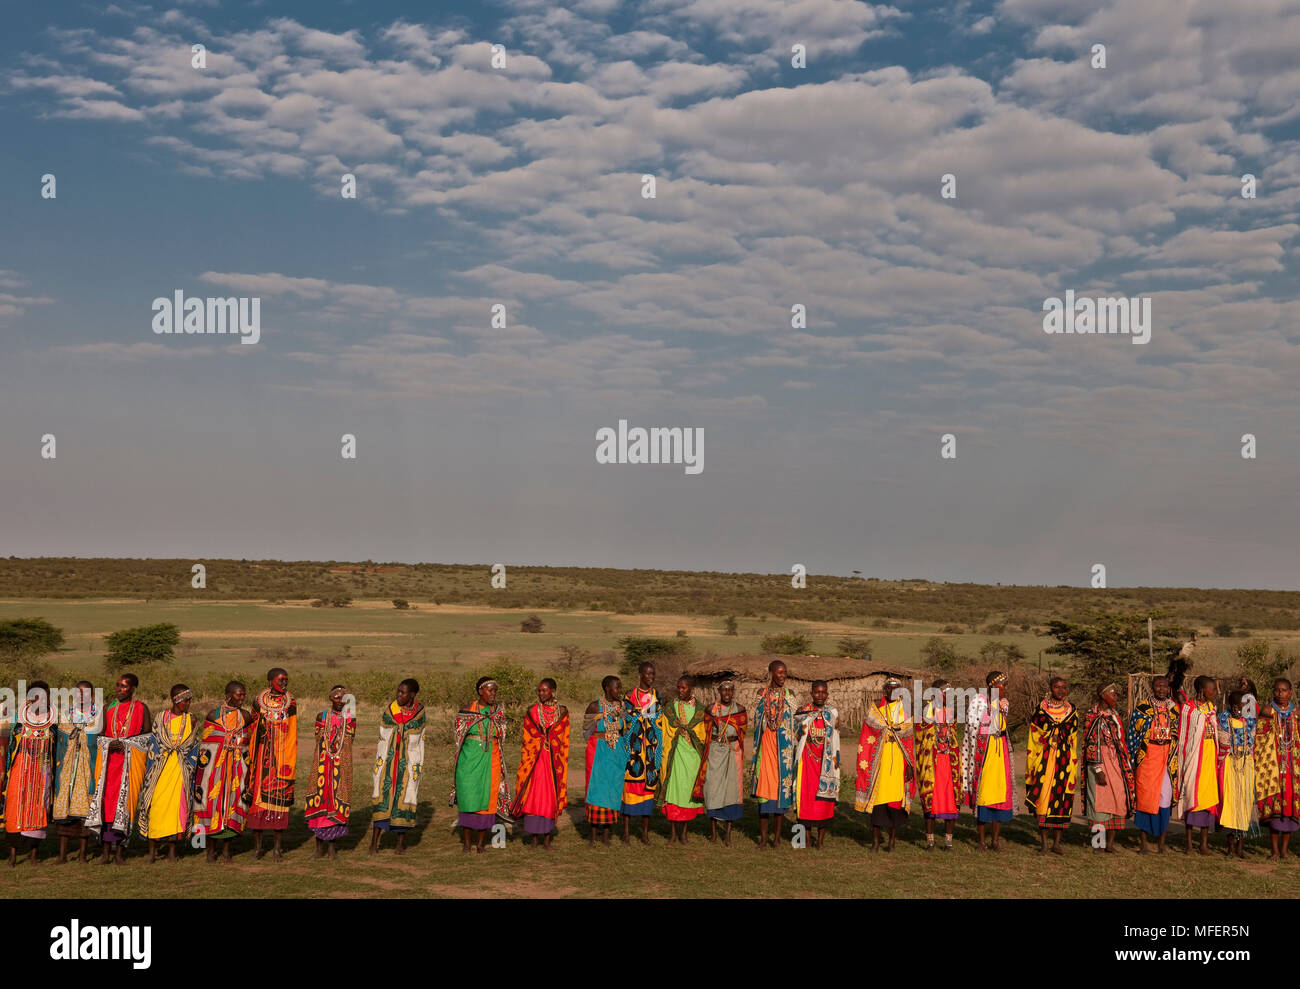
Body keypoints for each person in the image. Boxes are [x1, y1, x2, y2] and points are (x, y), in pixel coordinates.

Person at [87, 673, 151, 864]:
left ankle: (120, 853)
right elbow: (99, 735)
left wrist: (127, 745)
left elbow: (147, 736)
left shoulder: (141, 708)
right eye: (117, 685)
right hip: (108, 765)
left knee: (124, 806)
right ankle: (105, 852)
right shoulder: (108, 708)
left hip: (129, 765)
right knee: (106, 805)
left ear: (133, 688)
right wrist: (109, 744)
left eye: (124, 686)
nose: (119, 689)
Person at [137, 684, 202, 863]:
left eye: (190, 700)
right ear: (176, 700)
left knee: (177, 810)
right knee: (156, 808)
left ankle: (172, 851)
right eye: (185, 700)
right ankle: (152, 851)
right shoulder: (161, 717)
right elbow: (155, 743)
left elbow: (194, 746)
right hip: (160, 770)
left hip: (181, 771)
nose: (188, 703)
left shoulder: (192, 720)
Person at [194, 681, 253, 863]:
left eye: (243, 695)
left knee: (233, 805)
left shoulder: (245, 716)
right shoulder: (213, 715)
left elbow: (248, 742)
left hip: (237, 771)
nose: (242, 698)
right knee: (213, 806)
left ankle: (227, 851)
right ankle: (210, 851)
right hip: (214, 770)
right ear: (228, 695)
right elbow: (206, 745)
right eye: (238, 695)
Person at [856, 677, 914, 852]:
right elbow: (868, 732)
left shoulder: (905, 710)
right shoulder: (876, 710)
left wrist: (910, 765)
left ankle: (892, 841)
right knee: (878, 803)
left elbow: (910, 739)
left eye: (896, 688)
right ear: (885, 691)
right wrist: (885, 732)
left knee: (895, 804)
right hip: (879, 762)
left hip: (898, 761)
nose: (893, 692)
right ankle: (875, 841)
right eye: (889, 688)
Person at [509, 678, 569, 849]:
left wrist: (551, 741)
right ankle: (534, 838)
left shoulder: (563, 712)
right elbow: (527, 737)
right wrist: (540, 741)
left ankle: (547, 839)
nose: (541, 694)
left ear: (553, 691)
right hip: (535, 760)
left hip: (553, 762)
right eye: (539, 691)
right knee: (534, 798)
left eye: (544, 690)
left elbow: (564, 738)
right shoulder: (532, 711)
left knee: (550, 799)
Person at [453, 676, 511, 853]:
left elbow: (502, 735)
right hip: (469, 760)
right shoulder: (467, 711)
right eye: (490, 690)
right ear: (480, 691)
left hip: (491, 759)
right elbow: (458, 737)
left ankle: (480, 844)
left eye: (495, 691)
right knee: (468, 797)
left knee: (488, 799)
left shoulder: (498, 713)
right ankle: (466, 843)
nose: (493, 694)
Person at [245, 667, 297, 860]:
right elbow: (252, 726)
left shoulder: (290, 702)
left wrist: (287, 758)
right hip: (261, 759)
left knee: (279, 804)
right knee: (258, 804)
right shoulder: (259, 701)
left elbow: (292, 732)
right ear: (270, 681)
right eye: (281, 680)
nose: (284, 684)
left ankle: (277, 848)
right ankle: (257, 848)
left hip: (282, 758)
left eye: (286, 680)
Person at [1024, 676, 1079, 855]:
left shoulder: (1072, 711)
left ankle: (1057, 843)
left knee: (1062, 800)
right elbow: (1034, 736)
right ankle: (1044, 844)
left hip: (1064, 761)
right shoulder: (1040, 711)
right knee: (1043, 801)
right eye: (1057, 687)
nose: (1061, 691)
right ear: (1050, 689)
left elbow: (1073, 739)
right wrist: (1049, 737)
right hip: (1044, 761)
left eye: (1064, 687)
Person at [370, 678, 426, 855]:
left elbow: (418, 736)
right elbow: (384, 733)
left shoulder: (419, 712)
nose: (399, 695)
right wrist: (399, 730)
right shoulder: (390, 711)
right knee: (383, 799)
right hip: (388, 763)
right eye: (398, 692)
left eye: (403, 693)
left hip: (408, 764)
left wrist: (405, 732)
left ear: (412, 695)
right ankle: (373, 843)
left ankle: (400, 844)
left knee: (404, 799)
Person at [3, 682, 56, 866]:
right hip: (21, 768)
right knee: (15, 807)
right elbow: (11, 742)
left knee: (39, 806)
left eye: (44, 696)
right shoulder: (20, 715)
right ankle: (13, 855)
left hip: (42, 769)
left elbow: (56, 744)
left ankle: (34, 854)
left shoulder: (53, 717)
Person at [965, 670, 1016, 851]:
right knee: (984, 793)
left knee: (1000, 792)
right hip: (984, 751)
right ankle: (981, 841)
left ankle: (995, 841)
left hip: (1000, 749)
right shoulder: (978, 700)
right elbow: (971, 727)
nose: (1007, 688)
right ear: (993, 685)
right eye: (1004, 684)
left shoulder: (1004, 703)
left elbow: (1002, 725)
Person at [1128, 674, 1181, 853]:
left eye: (1164, 686)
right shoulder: (1143, 707)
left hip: (1167, 758)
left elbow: (1178, 732)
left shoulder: (1174, 709)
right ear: (1152, 687)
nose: (1161, 689)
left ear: (1169, 688)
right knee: (1145, 798)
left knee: (1165, 798)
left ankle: (1161, 844)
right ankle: (1143, 843)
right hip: (1148, 757)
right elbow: (1134, 733)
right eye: (1158, 686)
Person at [692, 681, 747, 845]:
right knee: (712, 788)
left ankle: (728, 835)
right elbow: (706, 731)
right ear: (719, 691)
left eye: (730, 690)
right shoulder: (710, 710)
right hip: (716, 750)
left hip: (733, 751)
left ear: (733, 692)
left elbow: (743, 731)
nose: (727, 693)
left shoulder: (740, 710)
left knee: (731, 790)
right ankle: (714, 834)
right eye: (724, 690)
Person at [1082, 684, 1135, 852]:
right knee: (1099, 802)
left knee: (1118, 798)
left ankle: (1110, 844)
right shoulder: (1092, 715)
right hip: (1098, 762)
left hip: (1115, 761)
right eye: (1113, 694)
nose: (1116, 697)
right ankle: (1098, 843)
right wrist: (1098, 770)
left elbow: (1120, 740)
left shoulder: (1114, 715)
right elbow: (1090, 743)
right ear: (1103, 695)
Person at [305, 685, 355, 859]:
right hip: (322, 766)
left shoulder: (350, 718)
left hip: (340, 766)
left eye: (343, 698)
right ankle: (319, 848)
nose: (340, 701)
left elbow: (349, 743)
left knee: (335, 805)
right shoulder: (321, 717)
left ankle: (332, 848)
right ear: (330, 698)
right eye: (337, 697)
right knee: (320, 806)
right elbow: (318, 740)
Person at [656, 676, 708, 844]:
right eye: (678, 687)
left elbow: (703, 734)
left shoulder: (700, 710)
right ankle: (672, 833)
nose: (680, 690)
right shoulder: (670, 709)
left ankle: (684, 832)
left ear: (691, 688)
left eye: (684, 688)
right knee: (672, 793)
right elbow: (664, 732)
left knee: (687, 794)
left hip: (693, 758)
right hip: (674, 755)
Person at [752, 659, 797, 849]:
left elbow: (796, 721)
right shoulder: (761, 694)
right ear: (771, 672)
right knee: (764, 796)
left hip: (783, 751)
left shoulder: (791, 695)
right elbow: (756, 719)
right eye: (779, 672)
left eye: (784, 672)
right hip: (766, 747)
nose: (782, 675)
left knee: (780, 796)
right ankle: (763, 838)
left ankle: (777, 839)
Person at [52, 680, 98, 864]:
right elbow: (61, 741)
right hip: (67, 769)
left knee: (84, 814)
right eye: (78, 692)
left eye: (86, 693)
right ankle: (62, 856)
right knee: (65, 814)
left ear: (92, 695)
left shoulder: (97, 715)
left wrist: (83, 735)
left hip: (88, 770)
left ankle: (82, 856)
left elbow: (97, 741)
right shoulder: (66, 714)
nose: (82, 696)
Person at [583, 676, 631, 845]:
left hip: (615, 753)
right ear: (606, 688)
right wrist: (600, 739)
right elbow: (585, 732)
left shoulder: (622, 707)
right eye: (617, 687)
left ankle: (606, 835)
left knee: (612, 790)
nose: (619, 690)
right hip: (598, 752)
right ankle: (593, 835)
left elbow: (625, 731)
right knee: (596, 789)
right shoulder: (594, 706)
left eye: (620, 687)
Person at [1176, 675, 1221, 855]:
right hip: (1194, 759)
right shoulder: (1189, 708)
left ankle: (1203, 845)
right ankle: (1188, 844)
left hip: (1209, 758)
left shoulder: (1211, 708)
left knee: (1208, 801)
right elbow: (1185, 736)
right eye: (1212, 689)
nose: (1215, 692)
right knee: (1191, 799)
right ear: (1202, 690)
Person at [793, 680, 840, 849]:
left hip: (825, 764)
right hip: (807, 762)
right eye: (817, 692)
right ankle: (805, 837)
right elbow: (797, 736)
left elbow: (835, 739)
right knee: (806, 800)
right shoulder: (803, 712)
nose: (820, 695)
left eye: (824, 692)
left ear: (827, 694)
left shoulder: (833, 713)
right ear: (812, 693)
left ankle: (820, 841)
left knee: (823, 804)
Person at [915, 679, 960, 851]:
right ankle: (930, 841)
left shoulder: (951, 713)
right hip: (931, 762)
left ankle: (948, 842)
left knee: (951, 799)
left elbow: (954, 736)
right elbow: (921, 736)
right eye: (945, 692)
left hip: (948, 762)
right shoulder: (926, 711)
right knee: (931, 799)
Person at [1256, 678, 1299, 859]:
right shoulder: (1267, 711)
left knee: (1289, 807)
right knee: (1274, 808)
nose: (1281, 694)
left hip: (1292, 767)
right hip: (1272, 767)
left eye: (1284, 691)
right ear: (1273, 692)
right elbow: (1259, 738)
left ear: (1290, 693)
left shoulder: (1296, 713)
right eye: (1277, 691)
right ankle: (1274, 850)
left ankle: (1284, 850)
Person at [621, 662, 662, 844]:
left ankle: (644, 834)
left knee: (648, 791)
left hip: (650, 751)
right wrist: (641, 715)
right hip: (633, 750)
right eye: (647, 673)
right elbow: (627, 717)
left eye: (652, 673)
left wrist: (646, 716)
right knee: (629, 789)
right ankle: (627, 833)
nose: (650, 676)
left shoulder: (656, 696)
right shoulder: (629, 695)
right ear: (640, 674)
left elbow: (658, 719)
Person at [1217, 690, 1256, 859]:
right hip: (1230, 765)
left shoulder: (1251, 722)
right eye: (1235, 707)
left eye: (1242, 707)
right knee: (1232, 804)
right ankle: (1230, 847)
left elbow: (1252, 743)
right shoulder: (1223, 721)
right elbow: (1223, 743)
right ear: (1230, 706)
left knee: (1244, 804)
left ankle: (1241, 847)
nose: (1238, 710)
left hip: (1246, 765)